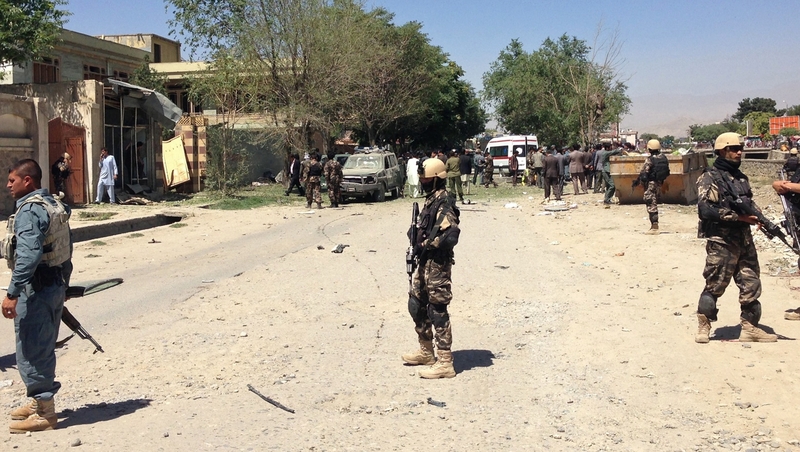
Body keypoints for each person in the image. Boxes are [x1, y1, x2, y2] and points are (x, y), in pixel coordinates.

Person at [3, 159, 72, 433]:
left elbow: (28, 256)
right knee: (42, 345)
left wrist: (12, 293)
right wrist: (64, 284)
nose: (8, 185)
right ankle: (37, 401)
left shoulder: (30, 211)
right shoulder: (52, 204)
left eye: (12, 180)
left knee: (32, 348)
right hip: (53, 284)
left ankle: (45, 412)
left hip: (37, 289)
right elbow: (65, 248)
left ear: (27, 180)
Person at [695, 132, 777, 344]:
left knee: (751, 285)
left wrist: (761, 219)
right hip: (722, 241)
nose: (739, 152)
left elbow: (749, 204)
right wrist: (739, 217)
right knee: (714, 286)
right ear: (722, 151)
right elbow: (706, 210)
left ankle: (749, 328)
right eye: (733, 148)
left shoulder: (741, 178)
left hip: (744, 240)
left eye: (740, 148)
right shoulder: (709, 177)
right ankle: (704, 326)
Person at [402, 157, 461, 379]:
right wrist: (415, 237)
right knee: (416, 304)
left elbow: (450, 235)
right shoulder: (430, 201)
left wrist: (426, 244)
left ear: (436, 179)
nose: (423, 182)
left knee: (437, 310)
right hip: (424, 262)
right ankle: (426, 351)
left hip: (437, 265)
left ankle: (445, 362)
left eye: (426, 179)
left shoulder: (445, 202)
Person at [634, 139, 670, 233]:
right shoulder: (663, 158)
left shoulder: (650, 159)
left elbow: (644, 173)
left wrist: (639, 181)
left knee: (650, 202)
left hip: (651, 183)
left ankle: (654, 226)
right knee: (654, 201)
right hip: (659, 182)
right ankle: (654, 225)